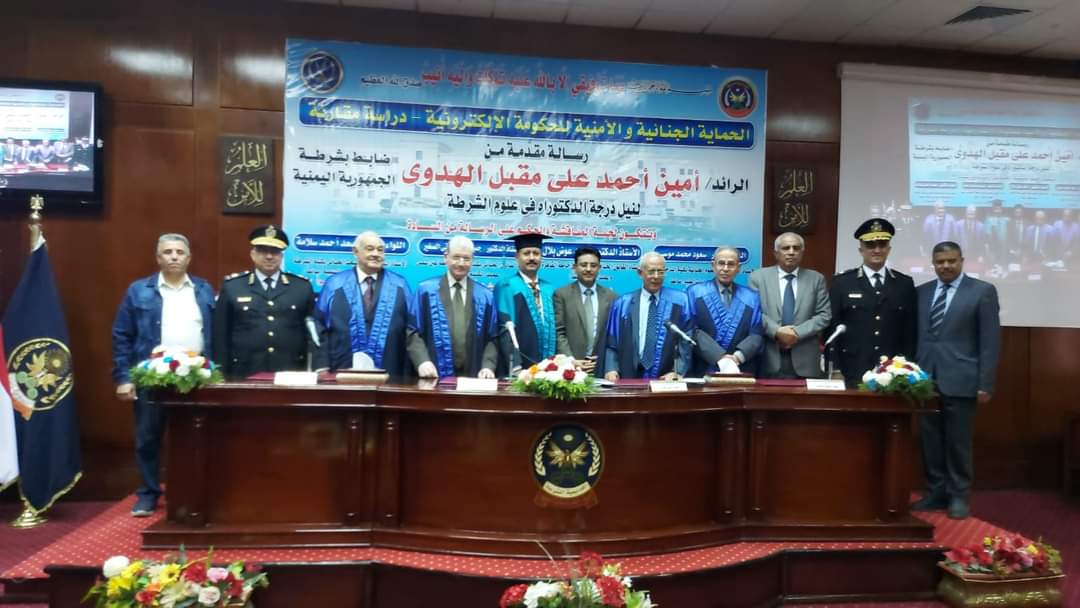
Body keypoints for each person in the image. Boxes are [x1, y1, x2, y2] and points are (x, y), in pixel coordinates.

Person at [111, 234, 215, 516]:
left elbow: (214, 331)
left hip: (195, 377)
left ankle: (192, 492)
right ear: (158, 258)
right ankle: (148, 493)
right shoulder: (139, 291)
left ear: (189, 258)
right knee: (148, 438)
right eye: (167, 252)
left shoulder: (204, 289)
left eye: (179, 252)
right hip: (151, 376)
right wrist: (123, 378)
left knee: (195, 438)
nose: (174, 256)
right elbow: (122, 335)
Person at [912, 241, 1000, 520]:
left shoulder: (982, 291)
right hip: (925, 379)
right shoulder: (921, 292)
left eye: (951, 261)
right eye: (940, 262)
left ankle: (959, 495)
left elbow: (989, 341)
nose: (946, 266)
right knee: (930, 441)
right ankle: (936, 492)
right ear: (933, 263)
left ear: (962, 260)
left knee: (958, 442)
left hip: (962, 379)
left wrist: (985, 383)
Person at [213, 225, 315, 379]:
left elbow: (312, 334)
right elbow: (220, 335)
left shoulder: (301, 287)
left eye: (274, 251)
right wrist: (220, 374)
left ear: (281, 256)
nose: (269, 256)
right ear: (253, 254)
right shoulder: (233, 286)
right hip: (243, 371)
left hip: (290, 371)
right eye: (262, 251)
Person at [827, 219, 916, 387]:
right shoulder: (842, 283)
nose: (877, 250)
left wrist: (908, 368)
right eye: (870, 245)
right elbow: (833, 329)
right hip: (852, 368)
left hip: (893, 370)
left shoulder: (904, 284)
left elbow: (910, 333)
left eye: (882, 245)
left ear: (889, 249)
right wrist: (836, 369)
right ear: (861, 249)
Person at [314, 231, 413, 376]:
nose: (376, 254)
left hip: (390, 371)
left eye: (380, 250)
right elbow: (319, 325)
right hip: (342, 370)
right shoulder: (334, 284)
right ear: (355, 251)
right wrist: (322, 366)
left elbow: (412, 328)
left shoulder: (400, 285)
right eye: (370, 249)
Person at [409, 236, 498, 379]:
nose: (461, 263)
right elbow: (412, 331)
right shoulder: (426, 291)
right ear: (446, 257)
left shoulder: (485, 296)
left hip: (473, 376)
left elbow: (493, 337)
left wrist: (488, 366)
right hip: (432, 375)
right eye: (456, 257)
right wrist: (422, 361)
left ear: (473, 260)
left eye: (466, 258)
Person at [748, 232, 831, 379]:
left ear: (802, 253)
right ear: (776, 253)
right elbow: (753, 313)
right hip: (769, 357)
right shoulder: (758, 277)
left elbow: (824, 315)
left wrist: (796, 333)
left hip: (806, 359)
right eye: (786, 248)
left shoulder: (816, 279)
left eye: (796, 248)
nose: (791, 252)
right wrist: (777, 331)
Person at [603, 252, 692, 381]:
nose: (656, 276)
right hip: (629, 375)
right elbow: (612, 342)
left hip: (666, 377)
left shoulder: (680, 301)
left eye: (660, 272)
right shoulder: (623, 303)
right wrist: (611, 369)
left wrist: (678, 371)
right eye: (651, 271)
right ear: (640, 273)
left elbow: (686, 340)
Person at [686, 245, 763, 376]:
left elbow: (756, 334)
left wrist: (736, 358)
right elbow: (691, 330)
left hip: (740, 369)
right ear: (713, 265)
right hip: (704, 368)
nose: (725, 269)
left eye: (731, 264)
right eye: (721, 263)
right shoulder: (695, 292)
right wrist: (719, 357)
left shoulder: (751, 297)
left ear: (738, 268)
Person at [494, 233, 556, 373]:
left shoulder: (549, 289)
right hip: (519, 368)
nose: (532, 258)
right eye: (526, 253)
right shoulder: (506, 287)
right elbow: (504, 328)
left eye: (536, 253)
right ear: (517, 257)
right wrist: (515, 365)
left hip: (549, 369)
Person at [553, 247, 616, 374]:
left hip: (601, 367)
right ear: (574, 267)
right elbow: (559, 332)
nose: (588, 269)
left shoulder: (612, 297)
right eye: (583, 265)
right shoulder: (562, 295)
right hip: (571, 368)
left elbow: (613, 336)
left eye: (593, 265)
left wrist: (610, 366)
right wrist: (571, 360)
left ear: (599, 268)